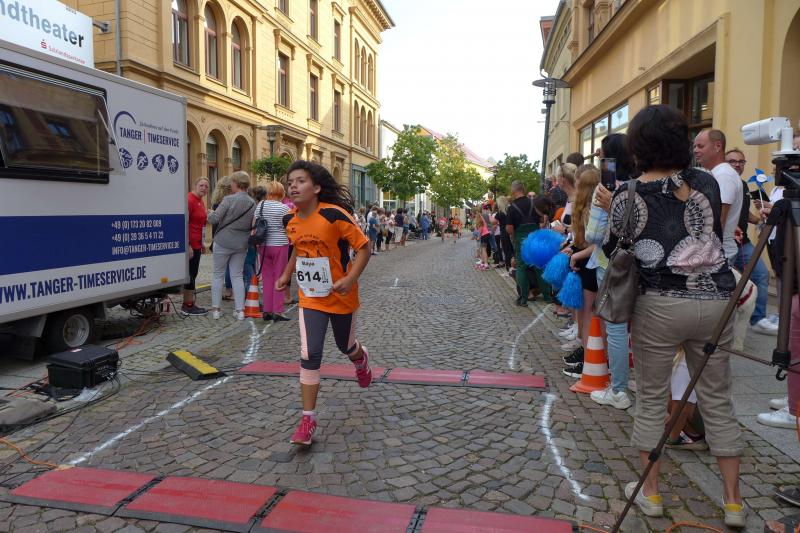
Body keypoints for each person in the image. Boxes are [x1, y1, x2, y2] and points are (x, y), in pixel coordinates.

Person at [604, 105, 744, 527]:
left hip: (659, 302)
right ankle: (734, 503)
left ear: (638, 144)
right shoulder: (706, 181)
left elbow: (616, 249)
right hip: (715, 299)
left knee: (651, 398)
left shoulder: (628, 193)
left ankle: (651, 493)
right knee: (717, 399)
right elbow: (710, 230)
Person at [276, 160, 372, 446]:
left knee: (346, 346)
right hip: (311, 297)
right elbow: (299, 248)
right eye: (290, 182)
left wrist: (350, 278)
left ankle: (361, 359)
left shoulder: (334, 215)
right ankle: (308, 419)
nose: (293, 186)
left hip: (341, 295)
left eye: (300, 181)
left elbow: (364, 247)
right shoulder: (289, 220)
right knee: (310, 353)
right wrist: (286, 274)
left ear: (316, 187)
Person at [585, 133, 635, 409]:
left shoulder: (606, 188)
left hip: (612, 262)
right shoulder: (642, 183)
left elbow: (593, 234)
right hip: (643, 262)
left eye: (601, 154)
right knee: (640, 328)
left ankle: (618, 390)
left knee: (615, 328)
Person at [725, 148, 777, 335]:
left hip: (743, 243)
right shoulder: (720, 182)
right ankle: (720, 324)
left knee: (761, 274)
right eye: (732, 161)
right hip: (724, 242)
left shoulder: (743, 184)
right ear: (725, 163)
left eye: (741, 161)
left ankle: (758, 320)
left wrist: (759, 220)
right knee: (724, 283)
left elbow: (743, 212)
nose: (737, 164)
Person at [561, 165, 599, 379]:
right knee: (585, 313)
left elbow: (596, 245)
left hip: (590, 264)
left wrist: (577, 254)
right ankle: (586, 353)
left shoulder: (591, 210)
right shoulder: (586, 208)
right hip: (585, 262)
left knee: (589, 314)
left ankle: (590, 359)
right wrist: (573, 248)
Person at [207, 172, 256, 320]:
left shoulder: (228, 199)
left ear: (236, 183)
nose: (231, 185)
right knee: (237, 276)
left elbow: (214, 219)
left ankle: (216, 310)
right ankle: (240, 311)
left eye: (232, 182)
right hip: (241, 243)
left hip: (223, 241)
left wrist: (210, 213)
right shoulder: (252, 203)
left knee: (218, 275)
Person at [693, 129, 743, 264]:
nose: (695, 150)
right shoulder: (718, 173)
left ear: (718, 146)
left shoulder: (724, 175)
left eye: (700, 146)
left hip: (717, 254)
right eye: (694, 146)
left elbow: (719, 219)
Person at [254, 181, 291, 322]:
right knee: (280, 277)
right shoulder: (284, 208)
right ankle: (278, 310)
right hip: (280, 244)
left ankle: (267, 310)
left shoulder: (261, 205)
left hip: (263, 245)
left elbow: (255, 223)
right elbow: (288, 227)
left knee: (267, 277)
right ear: (281, 193)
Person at [506, 180, 540, 306]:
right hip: (534, 239)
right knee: (538, 266)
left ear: (513, 190)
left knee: (521, 267)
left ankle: (523, 298)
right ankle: (547, 296)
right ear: (523, 189)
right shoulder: (534, 204)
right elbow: (541, 221)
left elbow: (509, 229)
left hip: (521, 240)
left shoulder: (511, 208)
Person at [182, 177, 210, 316]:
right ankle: (188, 305)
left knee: (193, 274)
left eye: (206, 186)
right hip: (190, 245)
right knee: (190, 275)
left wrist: (202, 242)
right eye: (201, 185)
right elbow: (184, 223)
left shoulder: (200, 201)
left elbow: (201, 224)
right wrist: (187, 245)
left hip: (197, 243)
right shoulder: (189, 200)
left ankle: (189, 303)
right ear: (195, 185)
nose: (204, 188)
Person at [210, 176, 235, 301]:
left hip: (218, 238)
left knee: (219, 270)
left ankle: (221, 293)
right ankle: (230, 290)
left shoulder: (216, 203)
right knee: (232, 267)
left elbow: (214, 224)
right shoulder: (232, 202)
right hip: (231, 237)